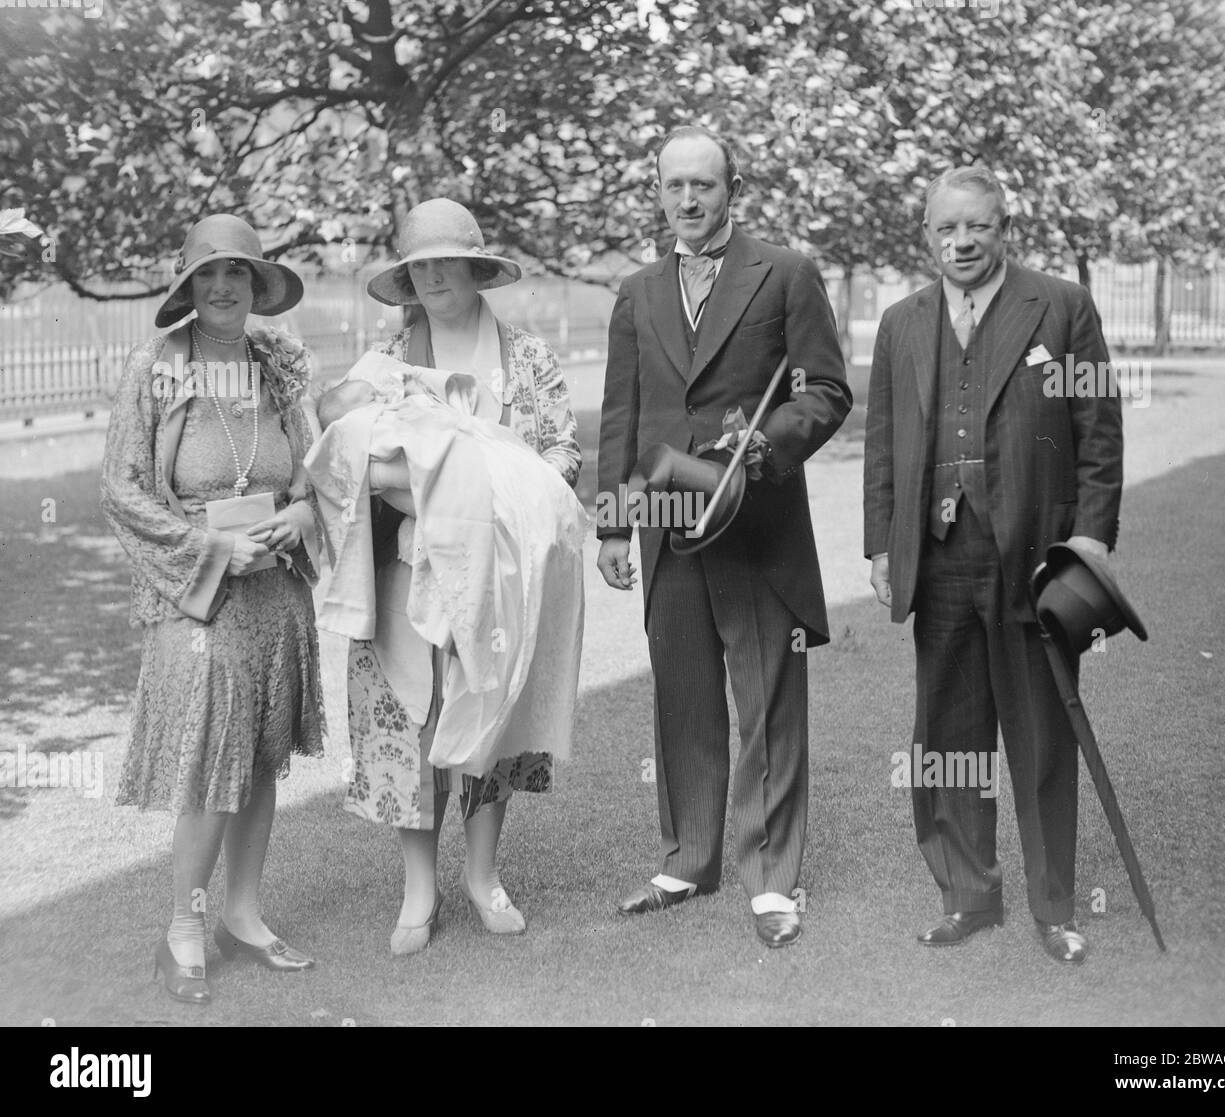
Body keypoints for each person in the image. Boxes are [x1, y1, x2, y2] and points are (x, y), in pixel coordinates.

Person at [597, 125, 851, 947]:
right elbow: (620, 416)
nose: (689, 199)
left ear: (731, 187)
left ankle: (773, 880)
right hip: (668, 527)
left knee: (768, 698)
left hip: (758, 521)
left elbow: (827, 391)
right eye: (675, 185)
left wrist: (764, 449)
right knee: (683, 693)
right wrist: (612, 520)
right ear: (660, 190)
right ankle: (688, 858)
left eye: (704, 184)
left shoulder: (786, 274)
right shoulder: (635, 292)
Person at [862, 165, 1124, 964]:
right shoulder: (902, 321)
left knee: (1042, 734)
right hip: (938, 560)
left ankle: (1054, 907)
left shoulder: (1062, 306)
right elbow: (883, 443)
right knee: (948, 735)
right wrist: (881, 544)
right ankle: (968, 893)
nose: (962, 241)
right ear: (928, 235)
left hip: (1035, 560)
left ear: (1004, 227)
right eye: (947, 229)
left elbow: (1099, 429)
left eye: (977, 226)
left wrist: (1092, 538)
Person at [324, 198, 582, 955]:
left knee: (490, 717)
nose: (433, 275)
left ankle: (481, 875)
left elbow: (560, 456)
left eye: (445, 260)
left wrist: (487, 486)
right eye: (417, 264)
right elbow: (349, 454)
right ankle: (418, 890)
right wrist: (410, 487)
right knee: (412, 719)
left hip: (498, 574)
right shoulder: (388, 358)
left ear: (476, 267)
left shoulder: (525, 358)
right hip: (407, 572)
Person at [101, 213, 325, 1004]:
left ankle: (243, 912)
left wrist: (300, 515)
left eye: (238, 273)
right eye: (209, 275)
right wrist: (213, 548)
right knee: (207, 757)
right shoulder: (159, 365)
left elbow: (318, 468)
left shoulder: (280, 360)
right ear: (189, 286)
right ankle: (184, 927)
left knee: (261, 754)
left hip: (276, 593)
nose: (224, 287)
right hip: (200, 597)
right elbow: (122, 488)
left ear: (259, 285)